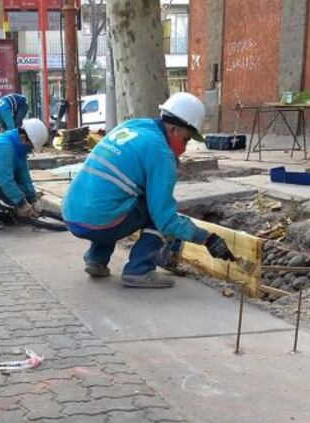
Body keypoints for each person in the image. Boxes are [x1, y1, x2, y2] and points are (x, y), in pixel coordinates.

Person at [61, 93, 235, 289]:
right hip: (99, 221)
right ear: (173, 129)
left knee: (118, 195)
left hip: (72, 213)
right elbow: (165, 219)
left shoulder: (133, 126)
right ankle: (139, 269)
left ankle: (96, 259)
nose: (184, 149)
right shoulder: (160, 153)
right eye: (185, 140)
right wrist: (207, 238)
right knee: (157, 211)